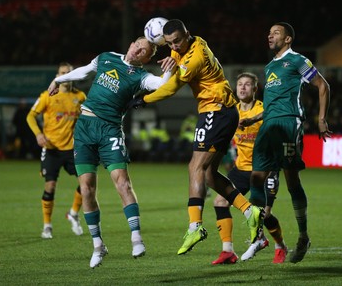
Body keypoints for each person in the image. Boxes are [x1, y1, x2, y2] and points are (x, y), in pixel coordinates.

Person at [130, 19, 265, 256]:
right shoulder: (194, 43)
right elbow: (176, 55)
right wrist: (174, 57)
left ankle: (195, 226)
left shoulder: (195, 58)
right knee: (210, 175)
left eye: (177, 42)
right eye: (170, 43)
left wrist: (143, 99)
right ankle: (249, 211)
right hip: (222, 110)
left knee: (195, 167)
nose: (174, 46)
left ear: (187, 35)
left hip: (216, 109)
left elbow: (170, 89)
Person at [47, 36, 176, 268]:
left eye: (143, 51)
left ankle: (136, 237)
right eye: (137, 45)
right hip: (85, 128)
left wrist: (169, 70)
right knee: (86, 188)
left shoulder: (141, 76)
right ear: (131, 44)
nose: (137, 50)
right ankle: (98, 245)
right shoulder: (106, 58)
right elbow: (84, 72)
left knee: (123, 184)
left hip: (110, 131)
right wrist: (60, 79)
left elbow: (162, 86)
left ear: (148, 58)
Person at [240, 22, 331, 264]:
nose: (270, 35)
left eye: (276, 32)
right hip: (268, 125)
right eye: (268, 32)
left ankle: (303, 237)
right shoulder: (270, 65)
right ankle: (259, 235)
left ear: (288, 39)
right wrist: (254, 119)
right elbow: (271, 103)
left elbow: (323, 85)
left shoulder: (297, 60)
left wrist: (321, 118)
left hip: (289, 123)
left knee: (292, 180)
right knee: (256, 177)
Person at [212, 72, 287, 265]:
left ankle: (280, 245)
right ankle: (227, 251)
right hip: (241, 169)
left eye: (247, 85)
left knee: (264, 214)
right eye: (240, 85)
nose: (242, 88)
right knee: (220, 202)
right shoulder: (232, 112)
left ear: (255, 89)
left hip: (265, 169)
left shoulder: (264, 111)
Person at [26, 62, 87, 239]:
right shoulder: (47, 96)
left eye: (69, 72)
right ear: (57, 75)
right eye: (63, 72)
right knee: (50, 186)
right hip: (51, 148)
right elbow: (30, 116)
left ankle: (74, 213)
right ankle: (47, 226)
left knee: (86, 184)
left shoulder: (80, 96)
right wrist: (38, 134)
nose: (66, 75)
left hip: (72, 148)